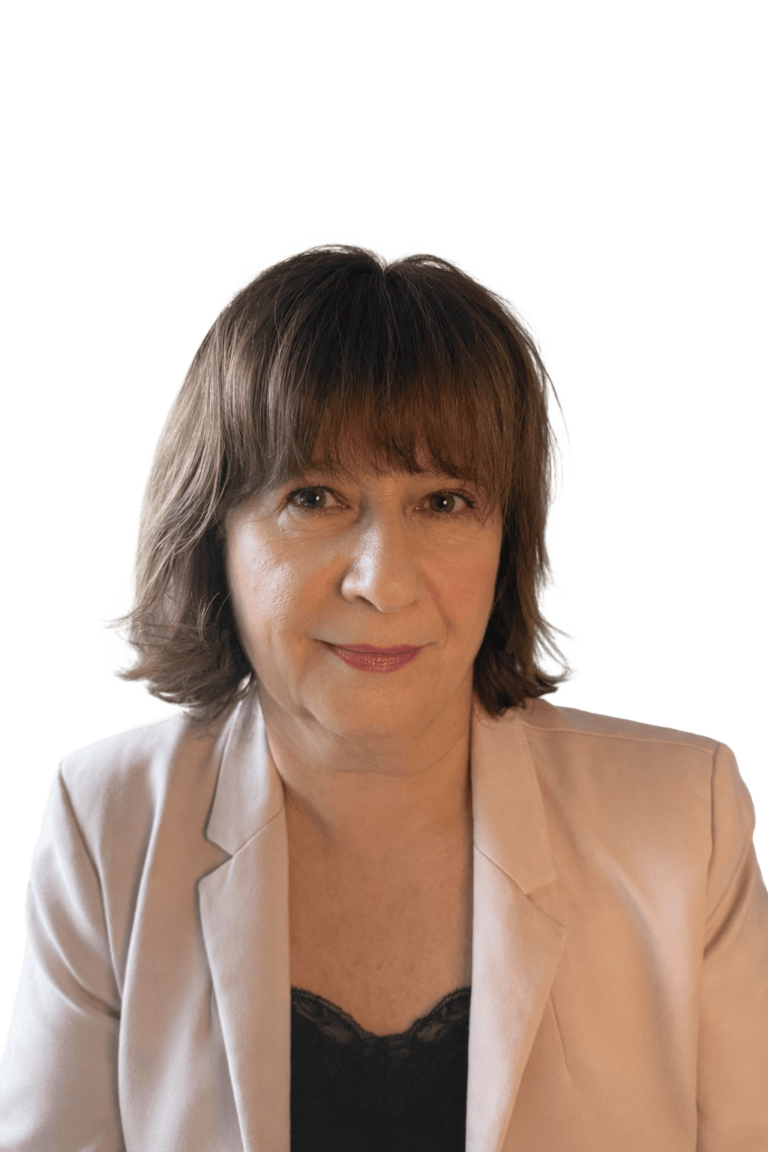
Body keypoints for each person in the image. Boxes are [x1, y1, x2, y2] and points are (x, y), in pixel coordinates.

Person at [1, 245, 766, 1151]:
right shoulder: (108, 821)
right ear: (215, 534)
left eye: (444, 502)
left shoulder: (685, 820)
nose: (383, 581)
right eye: (315, 496)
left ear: (507, 540)